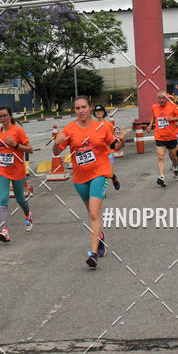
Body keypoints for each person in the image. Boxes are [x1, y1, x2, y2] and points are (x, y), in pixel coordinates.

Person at [53, 96, 125, 269]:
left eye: (84, 107)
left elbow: (115, 147)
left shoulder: (100, 127)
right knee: (92, 214)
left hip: (100, 173)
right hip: (80, 178)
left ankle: (93, 254)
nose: (81, 111)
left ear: (90, 108)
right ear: (75, 111)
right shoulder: (69, 129)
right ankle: (100, 237)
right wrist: (56, 143)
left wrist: (121, 139)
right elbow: (57, 152)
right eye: (77, 108)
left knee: (93, 213)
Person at [0, 106, 34, 243]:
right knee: (3, 199)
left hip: (17, 169)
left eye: (4, 116)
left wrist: (14, 145)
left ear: (10, 116)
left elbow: (30, 149)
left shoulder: (18, 131)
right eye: (0, 116)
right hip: (2, 169)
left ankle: (28, 215)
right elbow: (3, 147)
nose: (2, 118)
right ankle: (4, 231)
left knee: (20, 198)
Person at [146, 90, 178, 187]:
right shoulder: (154, 107)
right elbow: (153, 117)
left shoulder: (172, 106)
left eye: (163, 98)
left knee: (173, 157)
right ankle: (161, 176)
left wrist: (170, 119)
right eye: (159, 98)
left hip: (171, 136)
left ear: (167, 98)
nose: (161, 100)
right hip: (159, 136)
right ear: (157, 98)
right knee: (160, 156)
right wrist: (150, 125)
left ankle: (175, 168)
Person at [93, 103, 120, 190]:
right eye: (97, 111)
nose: (99, 112)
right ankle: (103, 190)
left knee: (109, 173)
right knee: (101, 174)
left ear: (104, 113)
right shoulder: (92, 125)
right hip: (98, 154)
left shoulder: (108, 125)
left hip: (109, 152)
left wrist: (117, 141)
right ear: (94, 113)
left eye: (100, 111)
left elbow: (114, 137)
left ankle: (114, 178)